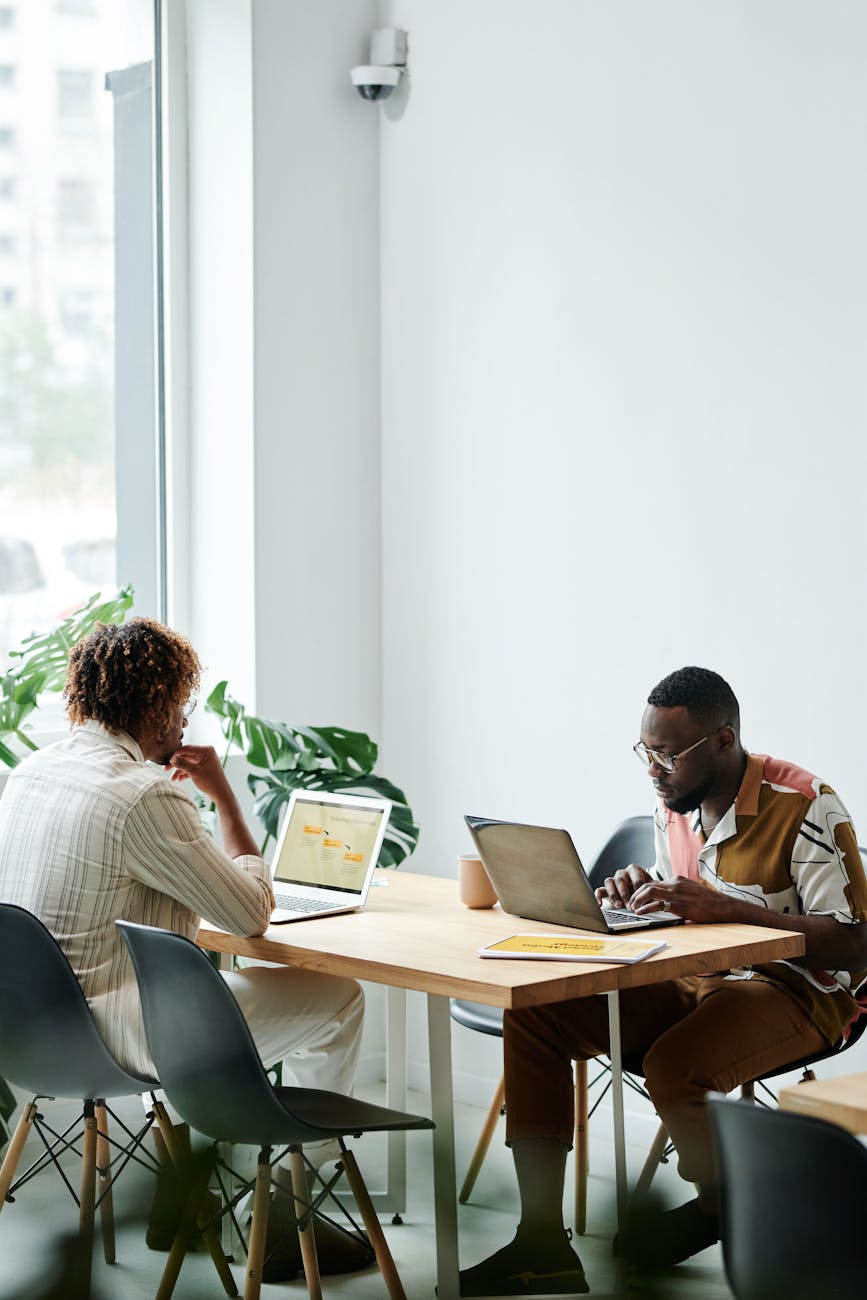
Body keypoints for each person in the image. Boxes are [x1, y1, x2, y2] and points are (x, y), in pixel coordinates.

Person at [460, 666, 867, 1297]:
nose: (653, 769)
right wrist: (636, 894)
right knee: (537, 1011)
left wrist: (733, 910)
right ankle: (540, 1241)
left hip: (800, 991)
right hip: (696, 975)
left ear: (725, 741)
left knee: (675, 1063)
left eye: (669, 754)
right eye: (645, 752)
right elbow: (683, 904)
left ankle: (726, 1208)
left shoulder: (808, 804)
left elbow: (856, 944)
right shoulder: (675, 799)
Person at [0, 617, 370, 1278]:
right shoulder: (140, 794)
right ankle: (286, 1216)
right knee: (338, 998)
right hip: (113, 1033)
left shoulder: (31, 773)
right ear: (155, 702)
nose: (182, 722)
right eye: (179, 705)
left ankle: (185, 1204)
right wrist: (224, 797)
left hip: (24, 1032)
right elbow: (248, 914)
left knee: (196, 989)